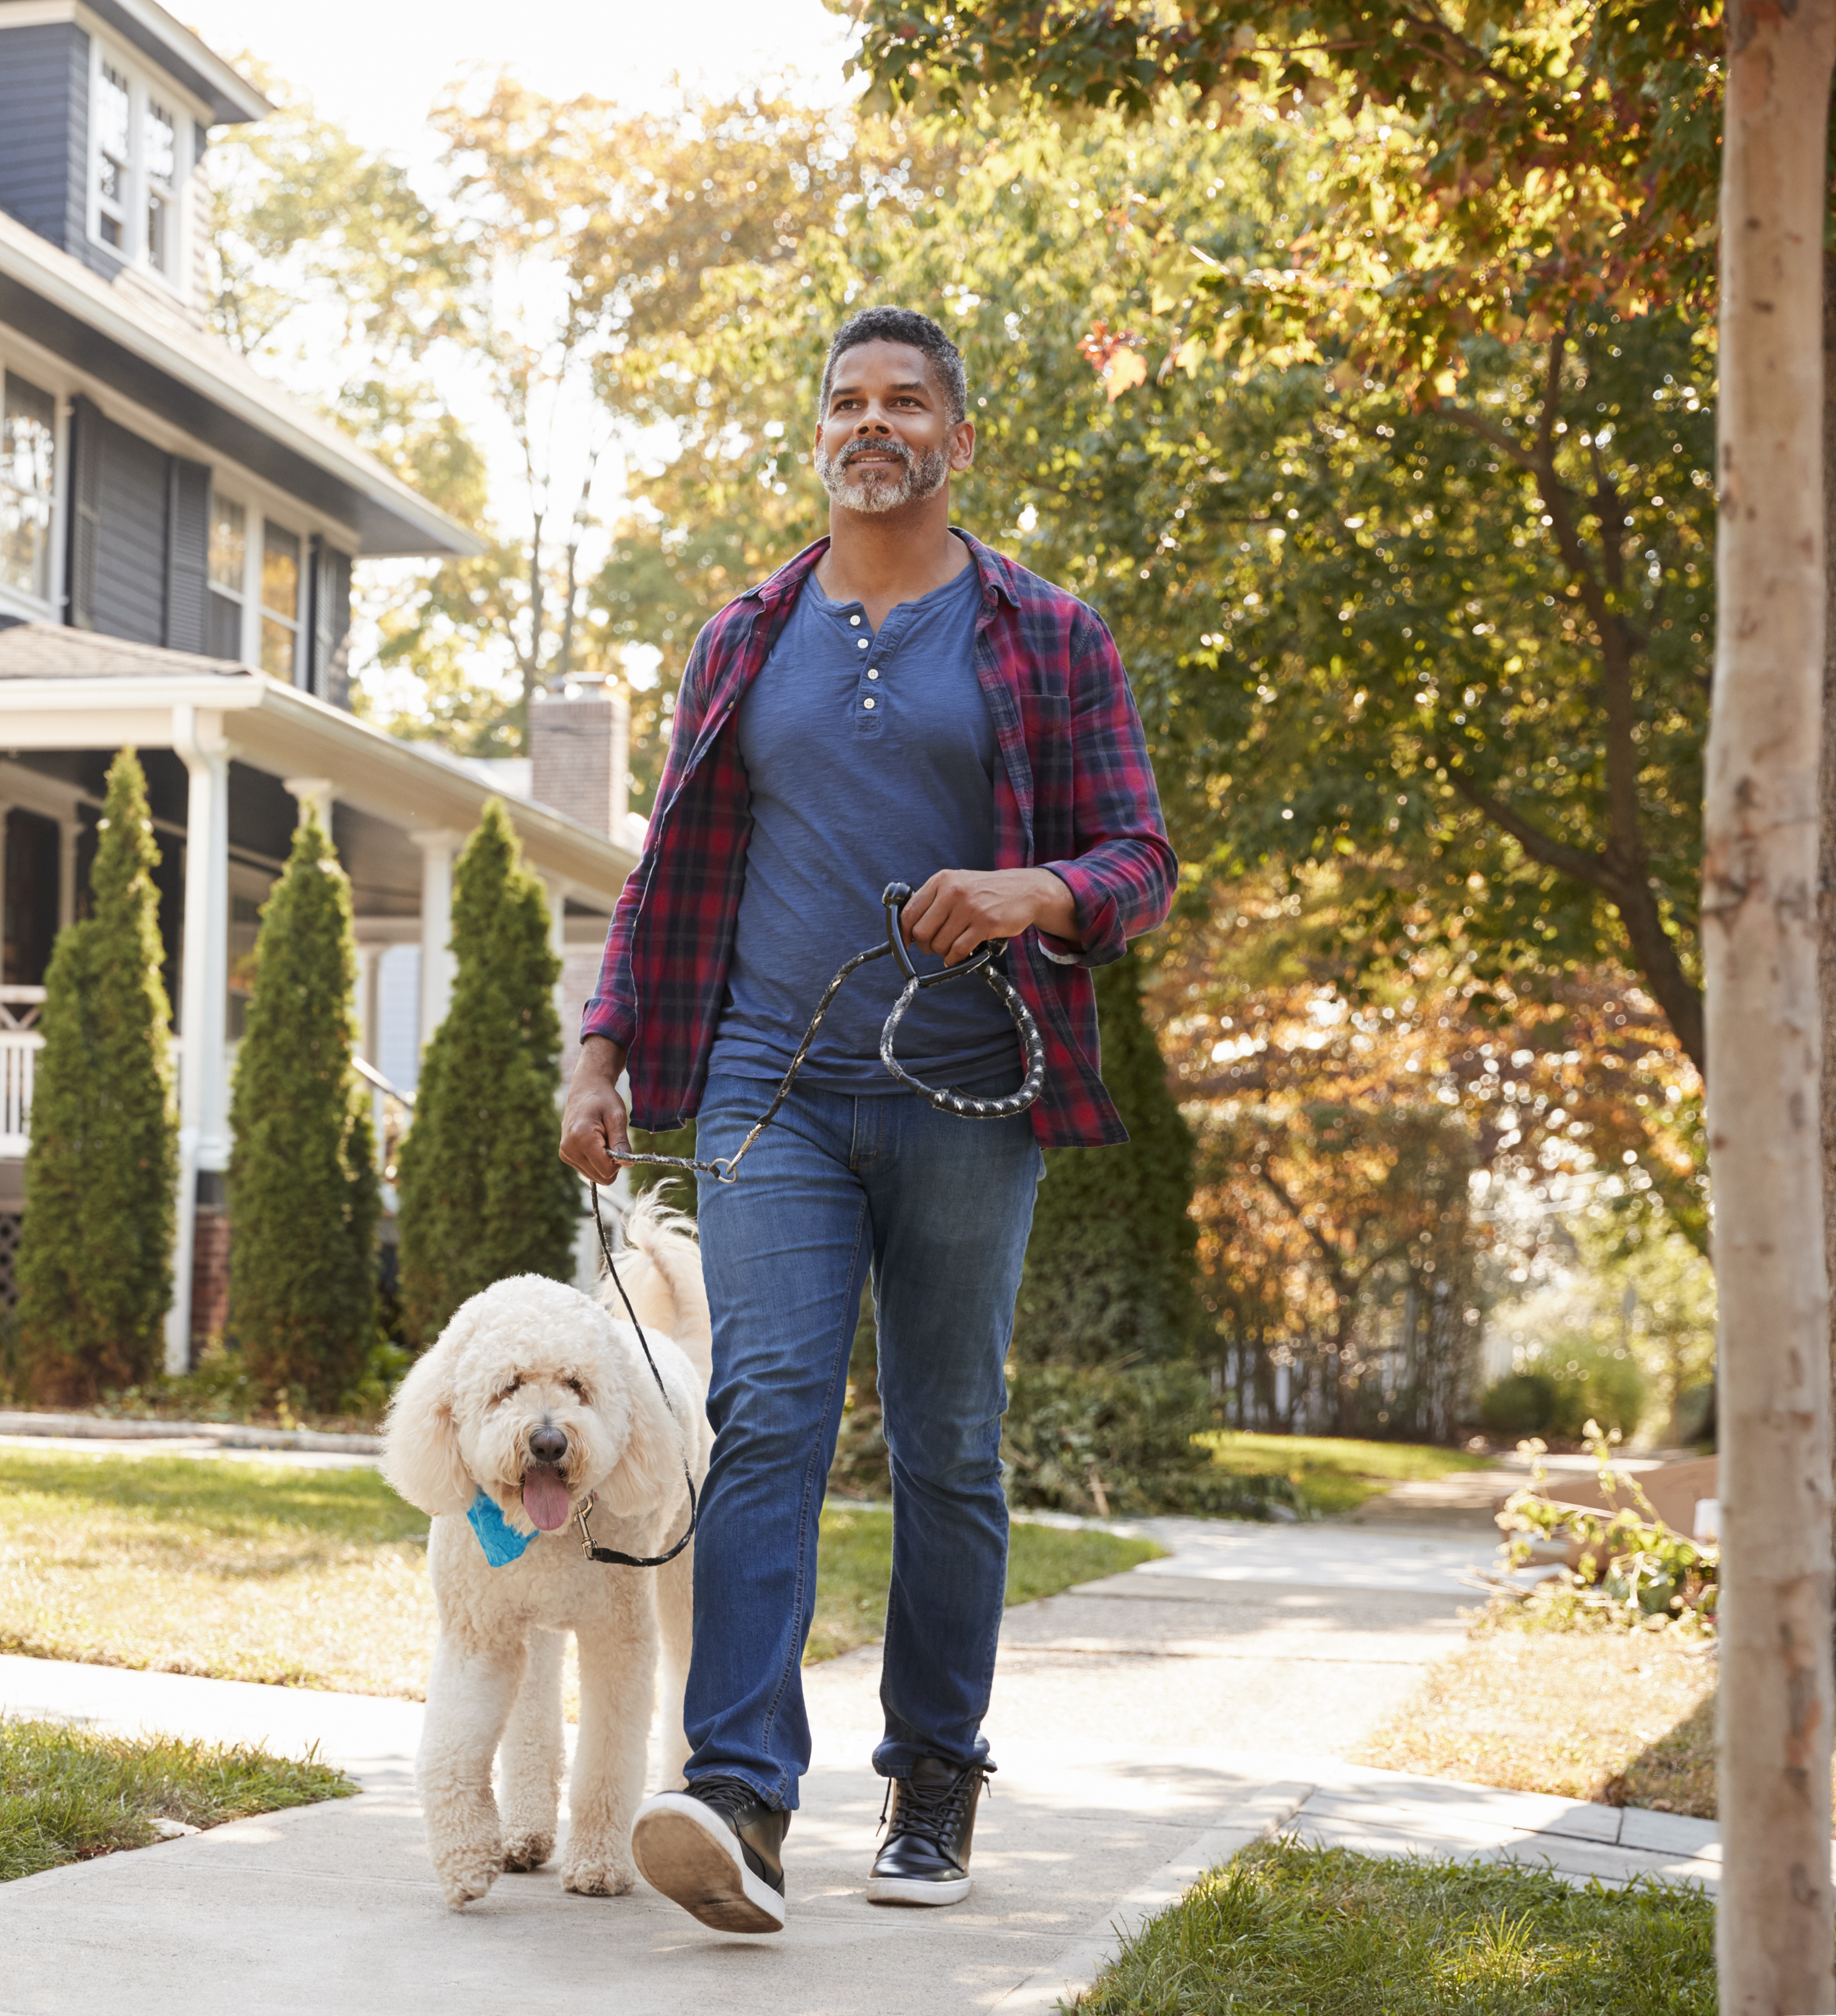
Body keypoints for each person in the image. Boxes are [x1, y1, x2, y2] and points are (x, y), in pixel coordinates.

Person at [559, 305, 1176, 1932]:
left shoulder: (1048, 634)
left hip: (971, 1088)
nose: (874, 422)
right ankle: (743, 1792)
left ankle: (934, 1772)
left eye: (908, 402)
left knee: (948, 1436)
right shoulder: (742, 637)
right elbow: (666, 869)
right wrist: (603, 1047)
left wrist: (1032, 887)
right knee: (764, 1409)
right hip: (774, 1078)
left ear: (956, 440)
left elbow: (1140, 859)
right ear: (820, 431)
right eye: (848, 400)